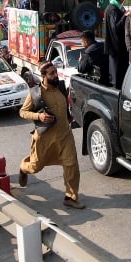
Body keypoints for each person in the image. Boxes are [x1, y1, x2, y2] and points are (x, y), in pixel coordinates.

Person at [18, 61, 85, 209]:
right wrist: (39, 117)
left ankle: (70, 197)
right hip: (45, 139)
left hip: (65, 135)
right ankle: (23, 168)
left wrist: (70, 116)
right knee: (35, 167)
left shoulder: (60, 87)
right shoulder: (35, 93)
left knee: (71, 165)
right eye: (52, 73)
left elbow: (66, 106)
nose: (56, 75)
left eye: (56, 72)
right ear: (43, 76)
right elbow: (22, 112)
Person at [104, 0, 128, 88]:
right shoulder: (113, 9)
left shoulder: (112, 7)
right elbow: (116, 28)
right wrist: (125, 16)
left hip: (115, 49)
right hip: (116, 49)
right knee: (117, 80)